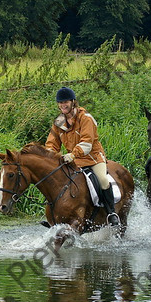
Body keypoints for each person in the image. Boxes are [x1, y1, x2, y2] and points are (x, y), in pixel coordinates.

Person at [45, 87, 120, 226]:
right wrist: (50, 157)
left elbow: (86, 143)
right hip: (74, 161)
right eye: (60, 103)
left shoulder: (86, 118)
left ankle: (111, 213)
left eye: (66, 102)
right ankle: (55, 215)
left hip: (93, 158)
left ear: (73, 102)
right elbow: (51, 144)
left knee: (103, 179)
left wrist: (72, 155)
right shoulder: (59, 122)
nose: (63, 105)